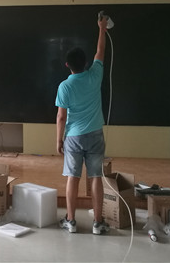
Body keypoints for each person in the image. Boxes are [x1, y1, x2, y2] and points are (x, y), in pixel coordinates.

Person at [55, 15, 110, 235]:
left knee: (73, 177)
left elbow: (61, 117)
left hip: (73, 137)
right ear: (86, 63)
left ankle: (71, 221)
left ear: (67, 65)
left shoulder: (64, 86)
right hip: (95, 134)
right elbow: (100, 51)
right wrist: (101, 29)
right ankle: (98, 223)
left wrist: (59, 140)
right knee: (96, 177)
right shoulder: (95, 75)